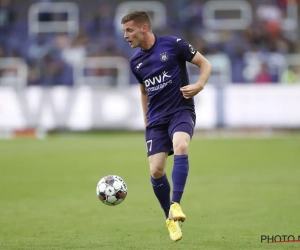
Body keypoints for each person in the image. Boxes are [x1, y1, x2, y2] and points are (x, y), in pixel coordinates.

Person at [121, 11, 212, 242]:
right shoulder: (135, 62)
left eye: (129, 30)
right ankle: (169, 219)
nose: (125, 36)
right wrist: (145, 120)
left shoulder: (173, 45)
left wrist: (199, 85)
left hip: (181, 110)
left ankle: (176, 203)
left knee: (181, 145)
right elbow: (143, 90)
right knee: (156, 170)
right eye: (124, 31)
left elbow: (204, 63)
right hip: (156, 120)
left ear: (144, 28)